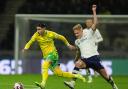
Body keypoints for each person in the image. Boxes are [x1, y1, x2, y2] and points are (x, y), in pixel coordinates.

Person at [64, 5, 118, 89]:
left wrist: (94, 11)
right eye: (75, 34)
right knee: (78, 64)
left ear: (81, 30)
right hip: (85, 60)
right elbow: (78, 50)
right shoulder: (77, 41)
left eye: (77, 33)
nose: (76, 35)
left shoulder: (89, 33)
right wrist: (76, 58)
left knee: (106, 77)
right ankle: (72, 83)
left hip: (94, 58)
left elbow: (95, 23)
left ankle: (113, 85)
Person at [22, 23, 85, 89]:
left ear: (44, 29)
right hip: (46, 56)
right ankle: (77, 76)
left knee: (44, 65)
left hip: (53, 54)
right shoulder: (36, 35)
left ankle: (43, 84)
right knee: (59, 73)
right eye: (37, 29)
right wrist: (25, 48)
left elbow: (61, 37)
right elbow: (30, 42)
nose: (38, 31)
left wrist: (68, 44)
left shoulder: (50, 34)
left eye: (39, 29)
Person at [85, 19, 103, 83]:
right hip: (86, 51)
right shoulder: (84, 31)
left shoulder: (96, 30)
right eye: (87, 22)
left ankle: (96, 71)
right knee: (86, 65)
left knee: (95, 65)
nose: (88, 23)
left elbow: (101, 38)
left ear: (92, 23)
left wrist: (96, 41)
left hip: (94, 51)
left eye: (89, 22)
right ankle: (89, 77)